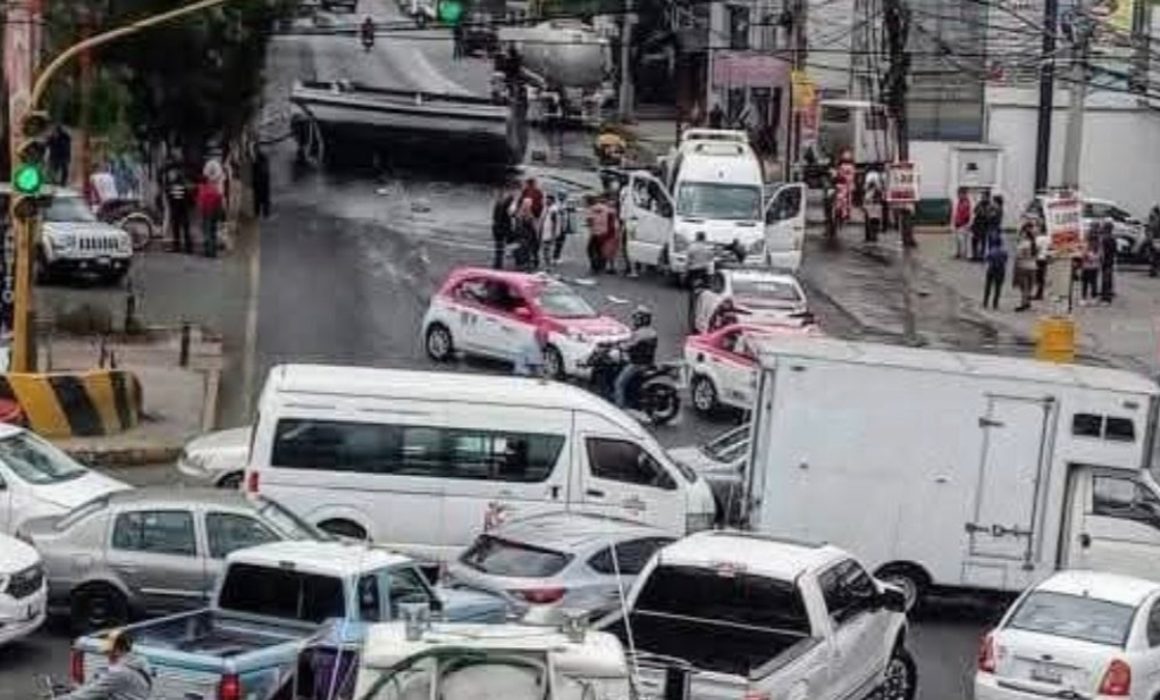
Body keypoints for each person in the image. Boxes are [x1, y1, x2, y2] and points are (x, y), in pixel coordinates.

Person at [58, 629, 152, 700]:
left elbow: (86, 695)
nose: (107, 655)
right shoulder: (139, 662)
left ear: (121, 649)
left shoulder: (120, 673)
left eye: (110, 652)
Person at [614, 306, 658, 409]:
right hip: (647, 362)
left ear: (642, 319)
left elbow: (627, 345)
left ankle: (619, 408)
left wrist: (618, 346)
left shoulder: (640, 333)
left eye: (636, 318)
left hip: (637, 364)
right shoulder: (650, 331)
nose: (634, 321)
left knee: (619, 384)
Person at [685, 232, 715, 332]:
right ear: (704, 238)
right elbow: (711, 261)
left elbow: (687, 263)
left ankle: (691, 324)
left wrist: (685, 273)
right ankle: (703, 321)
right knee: (704, 299)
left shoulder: (691, 247)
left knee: (692, 300)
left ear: (696, 237)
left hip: (693, 274)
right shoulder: (708, 249)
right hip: (704, 274)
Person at [162, 158, 192, 253]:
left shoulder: (172, 183)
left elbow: (170, 195)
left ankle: (178, 246)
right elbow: (187, 195)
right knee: (184, 227)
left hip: (176, 207)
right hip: (182, 207)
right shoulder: (183, 182)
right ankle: (187, 247)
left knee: (177, 227)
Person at [196, 175, 225, 258]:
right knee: (213, 232)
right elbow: (219, 198)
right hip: (214, 213)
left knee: (207, 232)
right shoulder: (213, 188)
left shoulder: (202, 190)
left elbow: (200, 203)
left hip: (207, 213)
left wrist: (200, 215)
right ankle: (213, 251)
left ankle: (208, 251)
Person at [1013, 224, 1038, 312]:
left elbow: (1018, 256)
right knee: (1030, 286)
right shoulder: (1035, 243)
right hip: (1033, 267)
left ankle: (1023, 304)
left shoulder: (1023, 244)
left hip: (1023, 266)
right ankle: (1027, 302)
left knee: (1024, 287)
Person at [491, 184, 516, 269]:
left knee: (499, 250)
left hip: (497, 228)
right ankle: (499, 265)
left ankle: (498, 265)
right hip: (502, 228)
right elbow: (510, 213)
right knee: (501, 248)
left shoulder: (498, 203)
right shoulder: (504, 203)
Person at [983, 230, 1008, 310]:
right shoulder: (1004, 252)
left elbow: (986, 259)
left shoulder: (991, 251)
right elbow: (1005, 260)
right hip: (1000, 270)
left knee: (988, 286)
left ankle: (985, 301)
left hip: (991, 269)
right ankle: (995, 303)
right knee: (998, 288)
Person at [541, 194, 563, 269]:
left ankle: (548, 265)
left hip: (550, 233)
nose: (546, 201)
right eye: (546, 199)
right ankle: (548, 264)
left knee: (546, 249)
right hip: (546, 231)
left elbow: (555, 223)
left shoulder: (554, 210)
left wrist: (553, 235)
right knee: (546, 249)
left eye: (548, 200)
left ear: (552, 201)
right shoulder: (546, 208)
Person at [970, 191, 992, 261]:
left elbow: (987, 216)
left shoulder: (990, 206)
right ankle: (975, 255)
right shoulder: (979, 204)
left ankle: (982, 256)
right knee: (974, 241)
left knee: (983, 242)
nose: (982, 198)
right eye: (982, 197)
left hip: (984, 226)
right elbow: (975, 211)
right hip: (977, 225)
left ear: (988, 197)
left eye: (984, 197)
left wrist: (982, 213)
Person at [1080, 231, 1101, 304]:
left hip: (1086, 267)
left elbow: (1083, 256)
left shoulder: (1086, 245)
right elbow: (1100, 256)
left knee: (1085, 284)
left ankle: (1084, 299)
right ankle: (1093, 298)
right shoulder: (1098, 246)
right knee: (1093, 283)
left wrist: (1087, 256)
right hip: (1094, 267)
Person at [1099, 220, 1117, 303]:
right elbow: (1114, 251)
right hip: (1110, 260)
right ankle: (1108, 293)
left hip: (1106, 260)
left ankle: (1106, 296)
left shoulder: (1105, 238)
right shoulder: (1112, 238)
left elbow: (1102, 251)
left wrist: (1101, 259)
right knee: (1108, 277)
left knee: (1105, 278)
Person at [952, 188, 972, 259]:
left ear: (964, 194)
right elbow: (954, 213)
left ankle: (966, 254)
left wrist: (969, 224)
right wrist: (954, 222)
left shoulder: (968, 202)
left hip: (964, 224)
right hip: (957, 223)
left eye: (960, 194)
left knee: (964, 240)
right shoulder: (957, 202)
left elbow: (970, 214)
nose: (958, 195)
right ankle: (957, 253)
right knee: (957, 240)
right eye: (958, 194)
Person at [252, 147, 271, 219]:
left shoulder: (262, 158)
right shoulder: (261, 158)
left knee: (262, 198)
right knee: (258, 199)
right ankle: (260, 213)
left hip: (261, 180)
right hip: (259, 180)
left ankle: (264, 213)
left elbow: (264, 170)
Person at [1034, 223, 1050, 300]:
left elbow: (1036, 248)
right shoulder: (1049, 238)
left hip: (1039, 258)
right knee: (1042, 276)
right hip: (1045, 258)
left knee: (1038, 277)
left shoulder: (1039, 238)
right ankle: (1040, 292)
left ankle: (1039, 294)